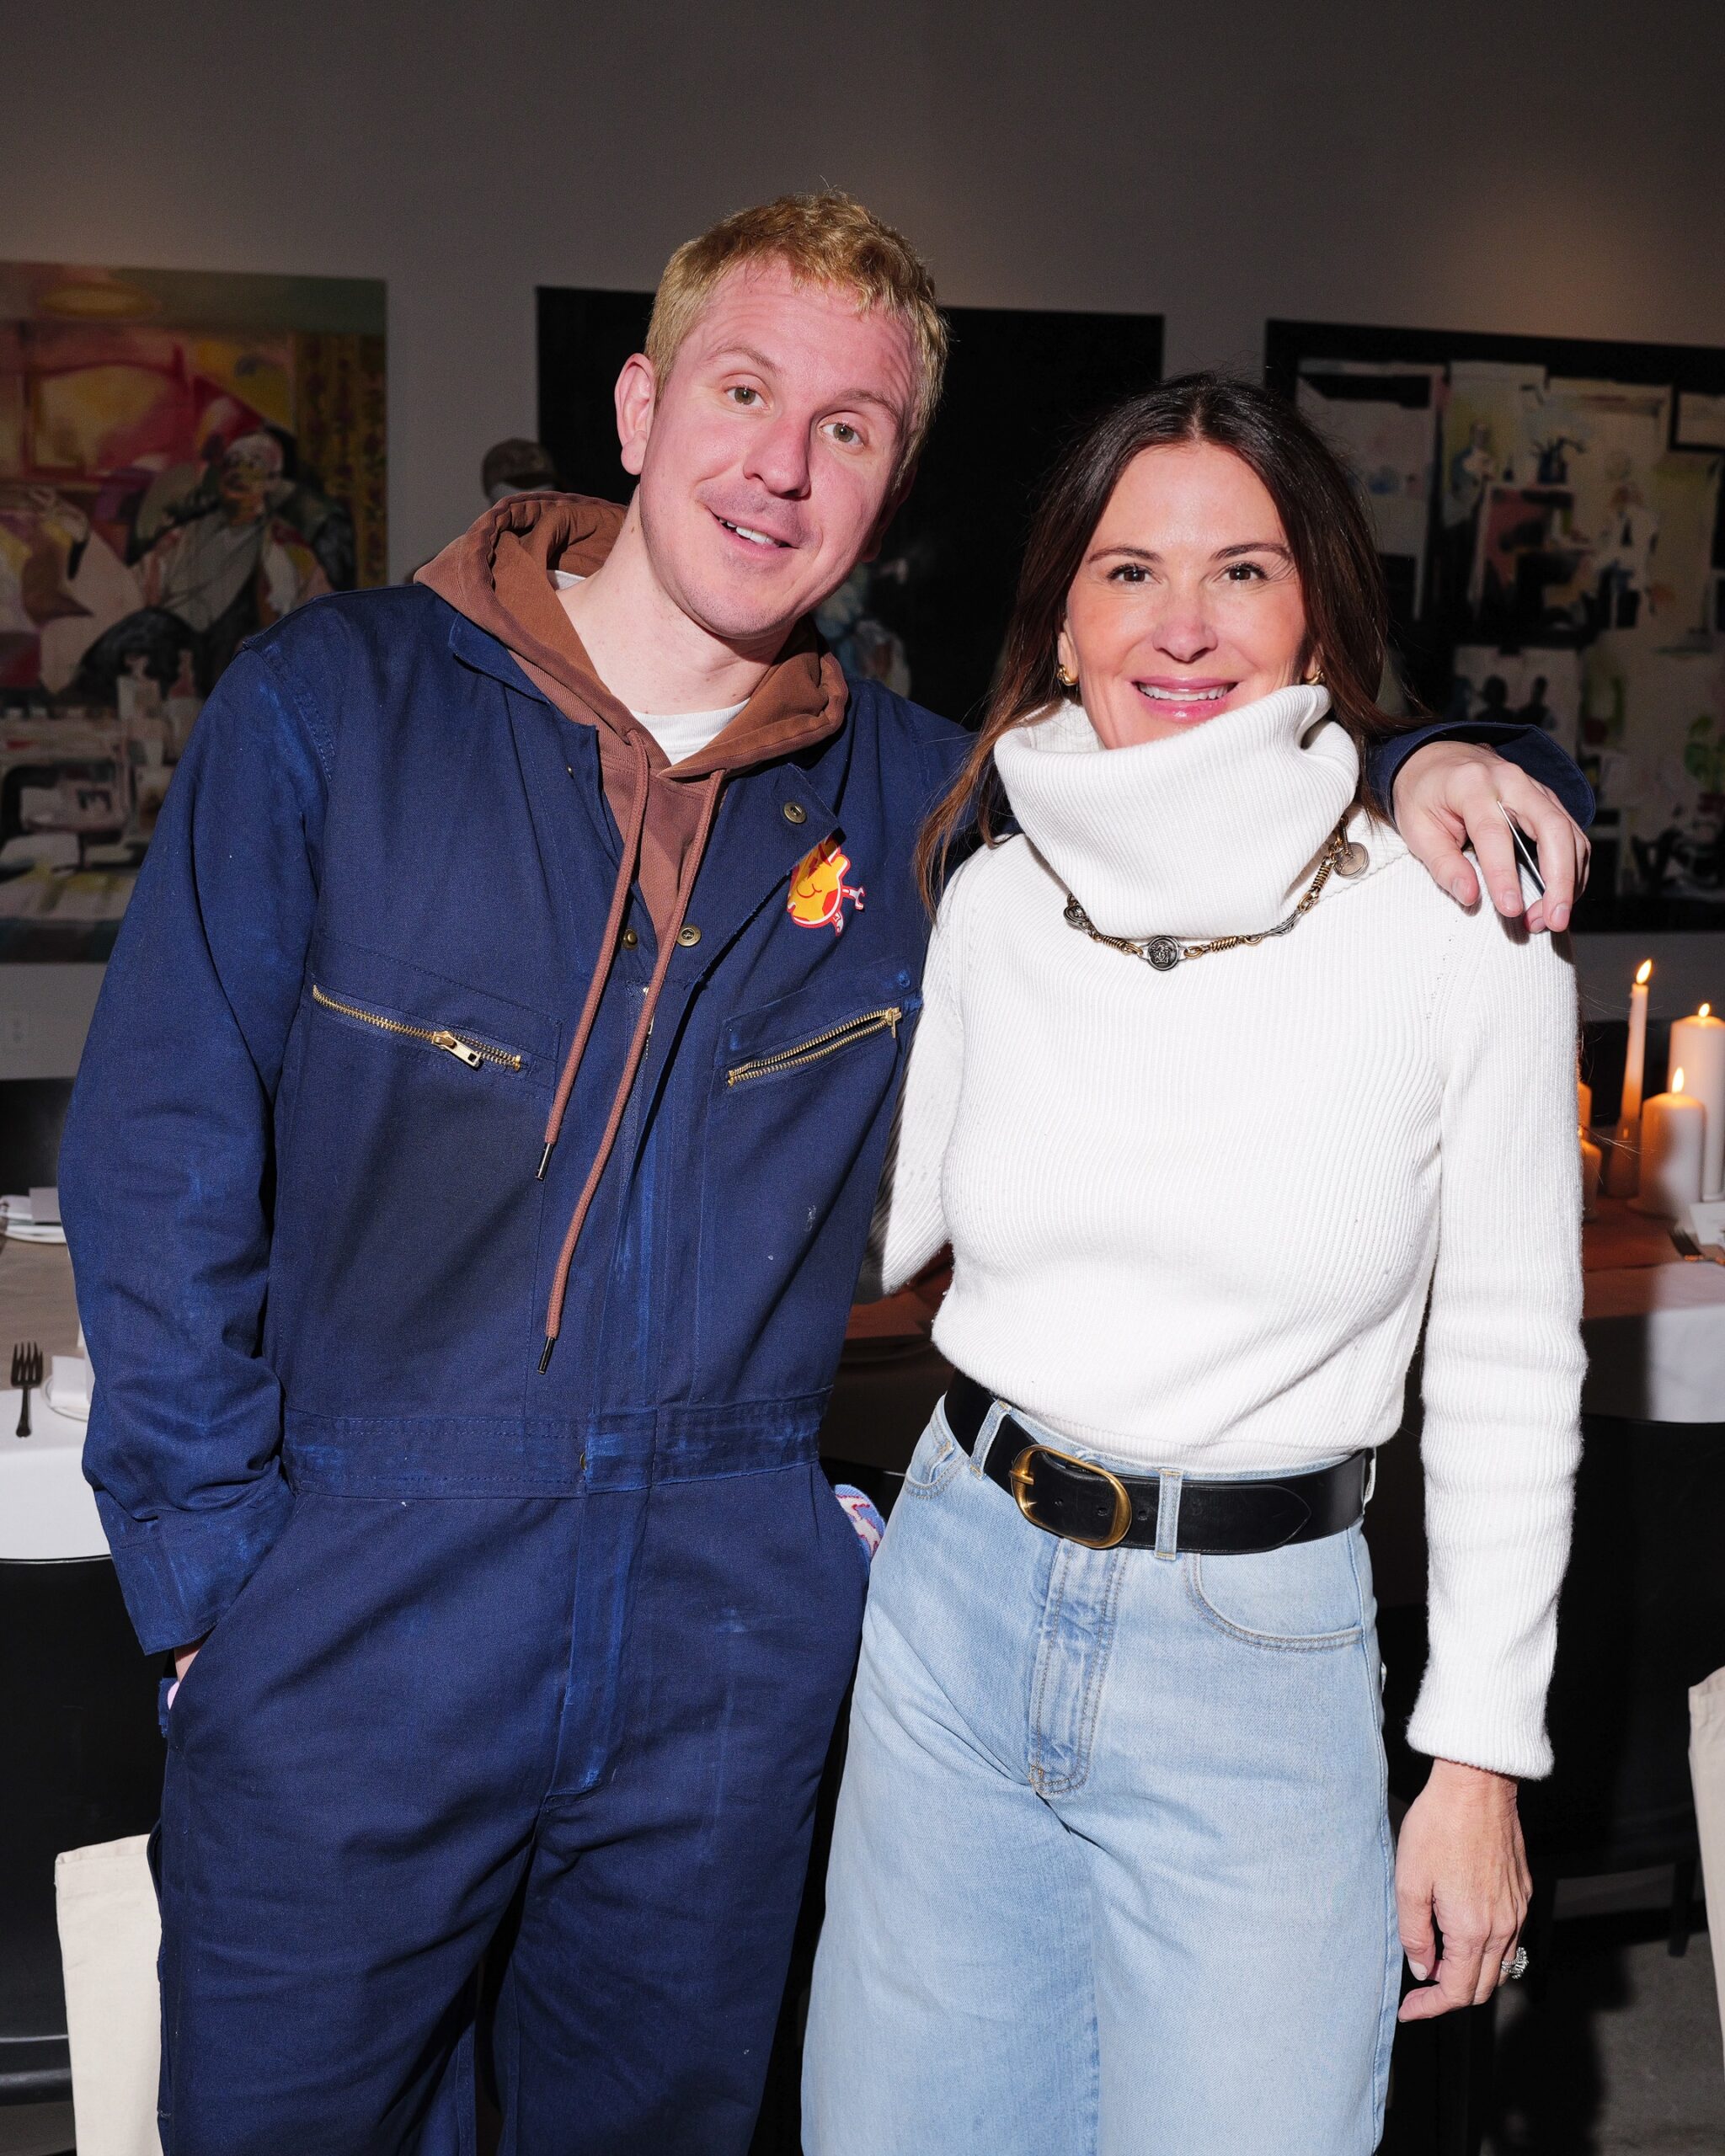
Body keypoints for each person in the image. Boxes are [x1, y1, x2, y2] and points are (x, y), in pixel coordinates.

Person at [61, 194, 1589, 2156]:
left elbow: (1197, 782)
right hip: (355, 1623)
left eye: (850, 428)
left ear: (892, 489)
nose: (780, 463)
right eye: (743, 389)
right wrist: (209, 1602)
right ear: (636, 403)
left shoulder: (920, 801)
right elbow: (162, 1155)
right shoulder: (332, 708)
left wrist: (1439, 753)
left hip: (716, 1658)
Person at [804, 376, 1586, 2154]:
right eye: (1126, 570)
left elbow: (1511, 1361)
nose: (1179, 624)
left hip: (1255, 1647)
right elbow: (882, 1225)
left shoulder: (1457, 914)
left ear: (1313, 600)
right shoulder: (989, 886)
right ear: (1059, 620)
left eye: (1238, 571)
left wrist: (1478, 1758)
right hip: (953, 1594)